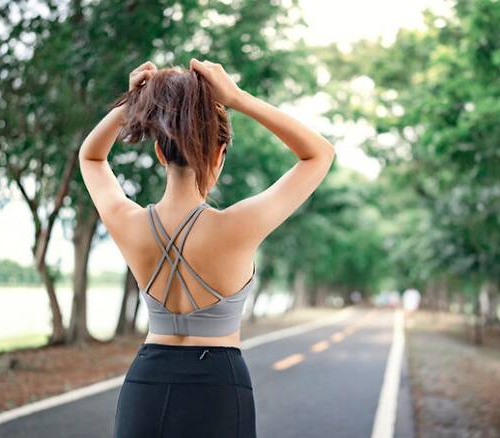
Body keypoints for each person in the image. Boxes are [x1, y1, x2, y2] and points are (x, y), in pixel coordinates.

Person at [78, 59, 335, 438]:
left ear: (161, 155)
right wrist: (237, 98)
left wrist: (133, 102)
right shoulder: (238, 226)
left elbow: (91, 157)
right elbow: (319, 154)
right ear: (220, 155)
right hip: (218, 385)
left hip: (145, 384)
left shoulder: (127, 222)